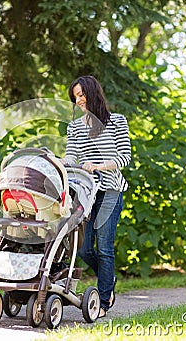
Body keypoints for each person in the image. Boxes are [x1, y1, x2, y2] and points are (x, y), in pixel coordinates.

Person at [63, 75, 131, 318]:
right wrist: (57, 162)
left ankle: (103, 301)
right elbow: (71, 157)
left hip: (111, 191)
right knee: (82, 249)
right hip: (87, 195)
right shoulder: (75, 127)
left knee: (104, 247)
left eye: (82, 95)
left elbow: (124, 158)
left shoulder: (116, 122)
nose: (79, 100)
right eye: (75, 97)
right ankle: (107, 277)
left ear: (93, 93)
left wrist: (98, 166)